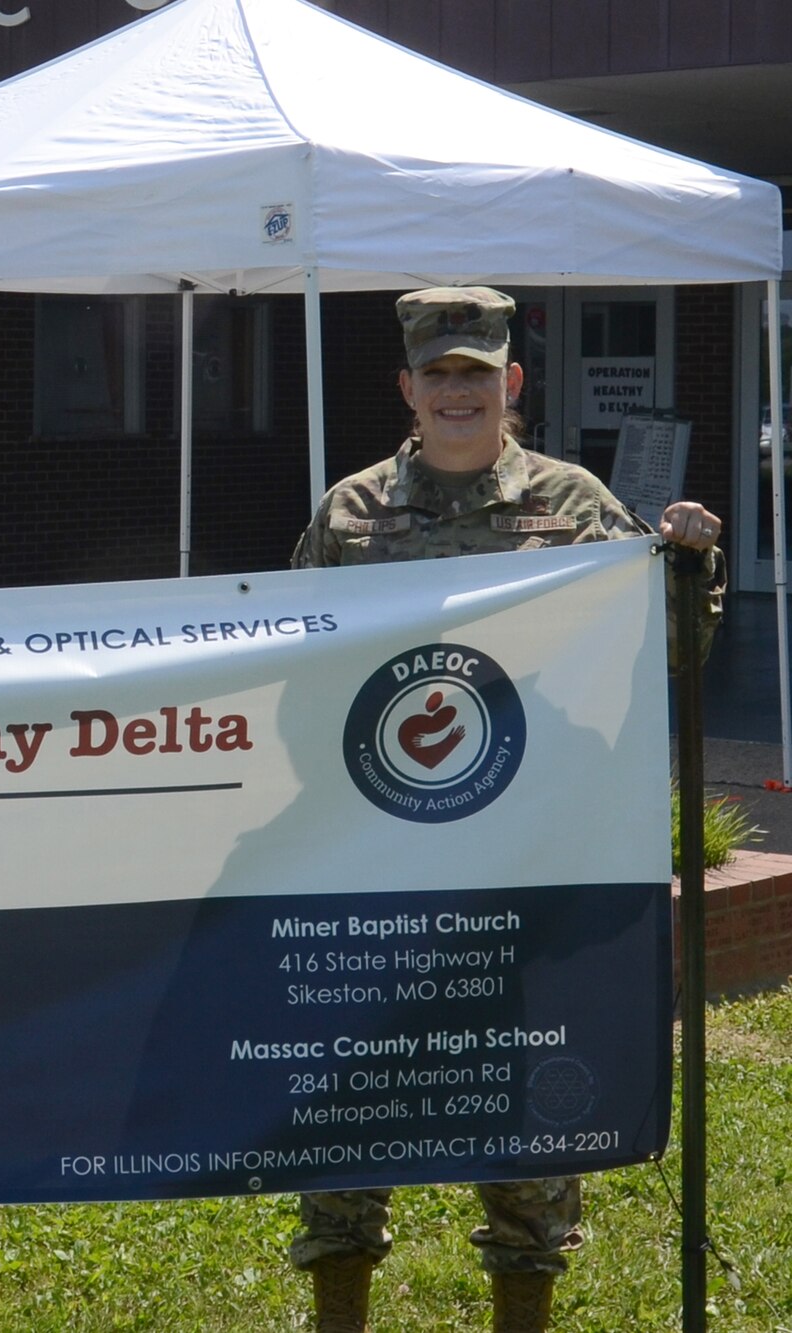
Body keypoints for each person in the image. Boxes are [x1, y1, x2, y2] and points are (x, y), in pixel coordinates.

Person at [288, 287, 724, 1333]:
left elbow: (666, 655)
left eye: (473, 374)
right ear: (404, 385)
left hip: (528, 865)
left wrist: (686, 565)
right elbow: (293, 677)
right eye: (435, 373)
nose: (454, 391)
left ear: (509, 384)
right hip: (377, 865)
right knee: (347, 1120)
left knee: (526, 1120)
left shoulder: (574, 511)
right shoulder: (349, 515)